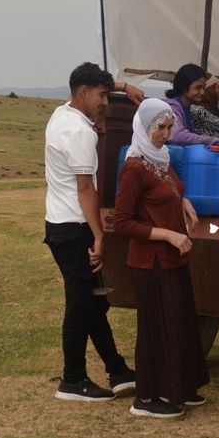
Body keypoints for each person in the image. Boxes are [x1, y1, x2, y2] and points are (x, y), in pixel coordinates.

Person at [43, 62, 135, 402]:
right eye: (101, 95)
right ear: (84, 92)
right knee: (80, 304)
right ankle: (73, 380)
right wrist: (99, 236)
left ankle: (119, 371)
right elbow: (85, 189)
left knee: (94, 304)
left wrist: (123, 86)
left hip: (59, 224)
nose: (105, 103)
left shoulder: (60, 115)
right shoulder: (81, 132)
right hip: (74, 228)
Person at [113, 98, 210, 418]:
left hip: (172, 257)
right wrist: (168, 234)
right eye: (160, 128)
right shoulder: (133, 167)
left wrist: (184, 202)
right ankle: (147, 397)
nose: (167, 134)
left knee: (179, 322)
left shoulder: (159, 159)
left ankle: (179, 387)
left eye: (170, 127)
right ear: (143, 128)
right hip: (150, 261)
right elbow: (123, 221)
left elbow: (169, 188)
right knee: (156, 326)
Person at [164, 63, 219, 148]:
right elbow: (178, 136)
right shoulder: (172, 108)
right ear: (183, 87)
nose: (202, 92)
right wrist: (218, 142)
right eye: (198, 88)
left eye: (204, 87)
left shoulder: (187, 109)